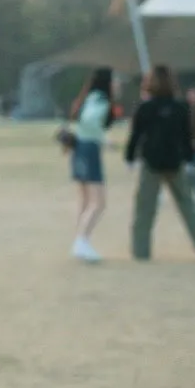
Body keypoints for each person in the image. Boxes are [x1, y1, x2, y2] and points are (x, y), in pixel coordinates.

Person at [126, 65, 195, 261]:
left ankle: (141, 251)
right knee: (188, 206)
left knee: (145, 209)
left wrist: (130, 158)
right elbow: (186, 136)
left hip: (151, 162)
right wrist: (190, 159)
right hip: (175, 162)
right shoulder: (181, 107)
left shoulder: (145, 108)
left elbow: (136, 135)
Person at [69, 66, 115, 262]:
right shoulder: (100, 100)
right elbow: (90, 121)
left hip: (79, 148)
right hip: (89, 149)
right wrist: (105, 139)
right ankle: (81, 241)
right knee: (99, 203)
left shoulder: (88, 97)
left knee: (86, 201)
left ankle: (80, 241)